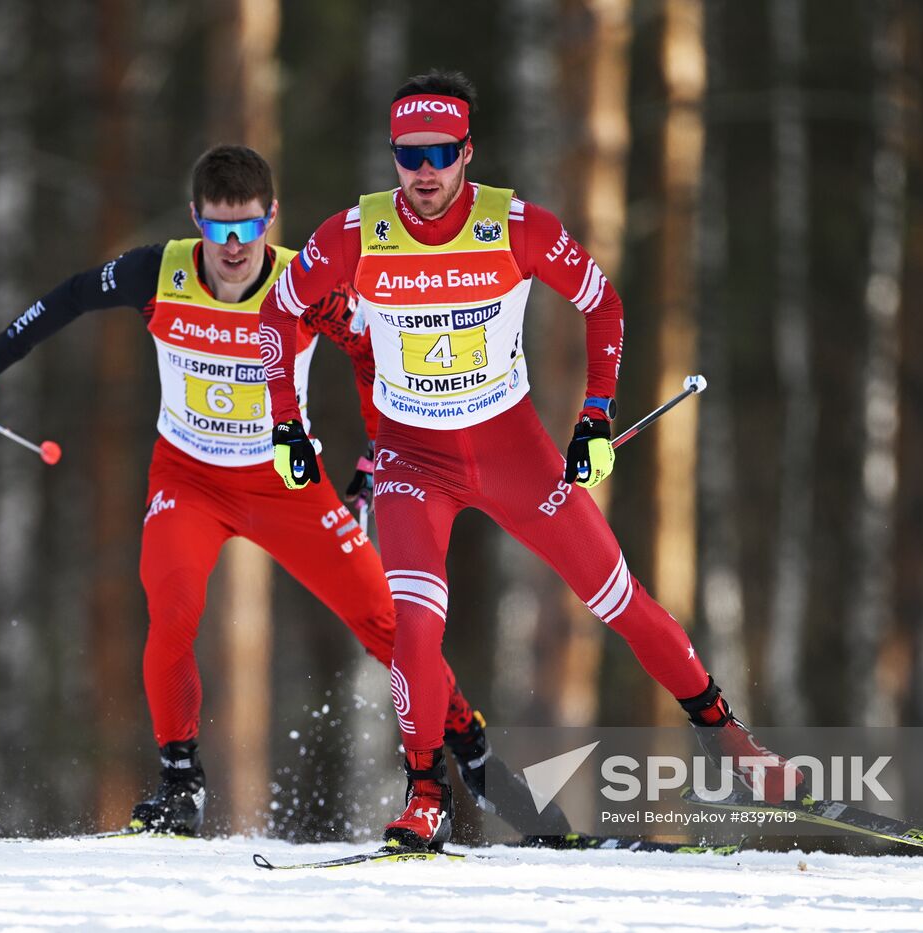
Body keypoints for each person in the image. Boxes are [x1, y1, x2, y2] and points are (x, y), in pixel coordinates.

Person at [0, 144, 564, 838]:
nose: (233, 247)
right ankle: (180, 783)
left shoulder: (305, 283)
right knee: (171, 609)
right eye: (217, 229)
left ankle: (469, 744)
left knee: (390, 626)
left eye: (248, 227)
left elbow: (375, 358)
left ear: (272, 218)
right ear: (195, 220)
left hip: (287, 484)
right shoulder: (160, 273)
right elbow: (74, 295)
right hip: (190, 479)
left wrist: (377, 457)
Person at [260, 71, 802, 852]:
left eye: (440, 153)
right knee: (414, 631)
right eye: (409, 155)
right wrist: (286, 424)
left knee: (621, 600)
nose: (424, 172)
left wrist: (593, 418)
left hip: (513, 451)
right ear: (393, 157)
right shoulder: (353, 233)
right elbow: (280, 313)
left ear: (466, 153)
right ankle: (424, 794)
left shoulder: (514, 225)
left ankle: (731, 740)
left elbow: (602, 302)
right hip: (413, 457)